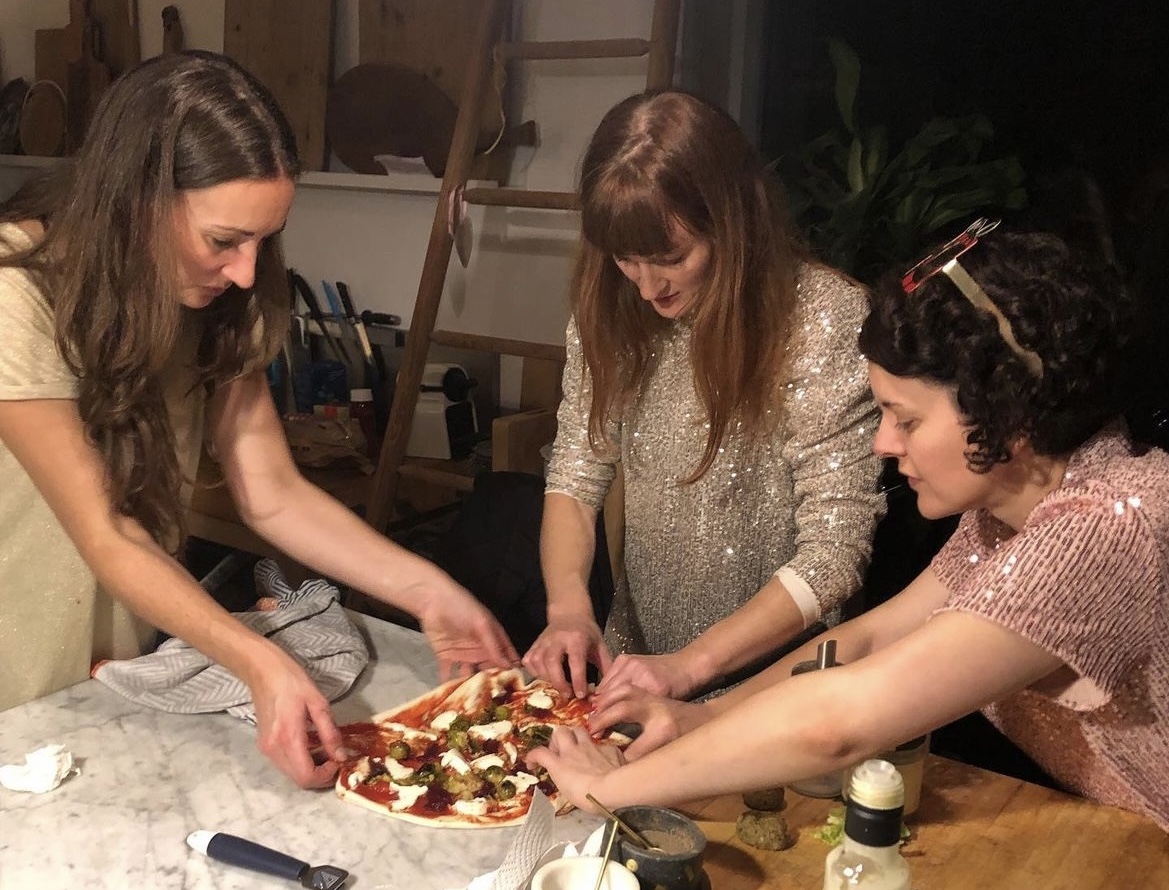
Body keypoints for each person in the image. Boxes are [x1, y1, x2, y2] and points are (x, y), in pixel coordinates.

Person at [528, 222, 1169, 832]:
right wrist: (698, 716)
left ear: (1008, 414)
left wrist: (606, 790)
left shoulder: (1096, 527)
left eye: (906, 419)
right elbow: (867, 640)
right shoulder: (1016, 504)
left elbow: (840, 722)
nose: (883, 443)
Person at [0, 51, 517, 787]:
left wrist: (427, 589)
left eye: (264, 240)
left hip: (109, 669)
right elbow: (108, 530)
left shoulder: (217, 299)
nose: (246, 271)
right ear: (135, 199)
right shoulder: (18, 293)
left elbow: (271, 491)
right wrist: (258, 661)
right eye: (223, 240)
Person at [521, 89, 883, 701]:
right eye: (625, 261)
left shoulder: (820, 315)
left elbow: (836, 551)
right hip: (640, 667)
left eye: (670, 257)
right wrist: (569, 610)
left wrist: (693, 664)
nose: (647, 289)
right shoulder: (608, 309)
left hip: (780, 684)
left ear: (733, 222)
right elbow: (577, 473)